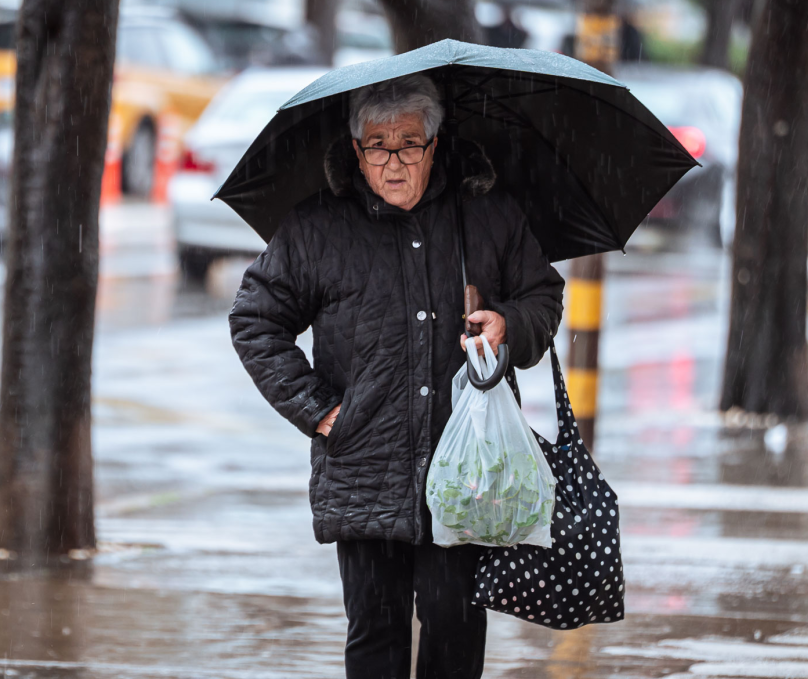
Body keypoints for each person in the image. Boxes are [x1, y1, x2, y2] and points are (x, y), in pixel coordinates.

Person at [229, 74, 563, 678]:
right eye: (376, 145)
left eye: (409, 143)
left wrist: (508, 324)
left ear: (435, 145)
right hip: (364, 462)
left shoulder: (487, 215)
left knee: (453, 625)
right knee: (375, 633)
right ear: (356, 151)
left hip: (465, 465)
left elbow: (544, 296)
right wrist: (321, 411)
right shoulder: (317, 227)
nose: (393, 160)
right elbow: (255, 321)